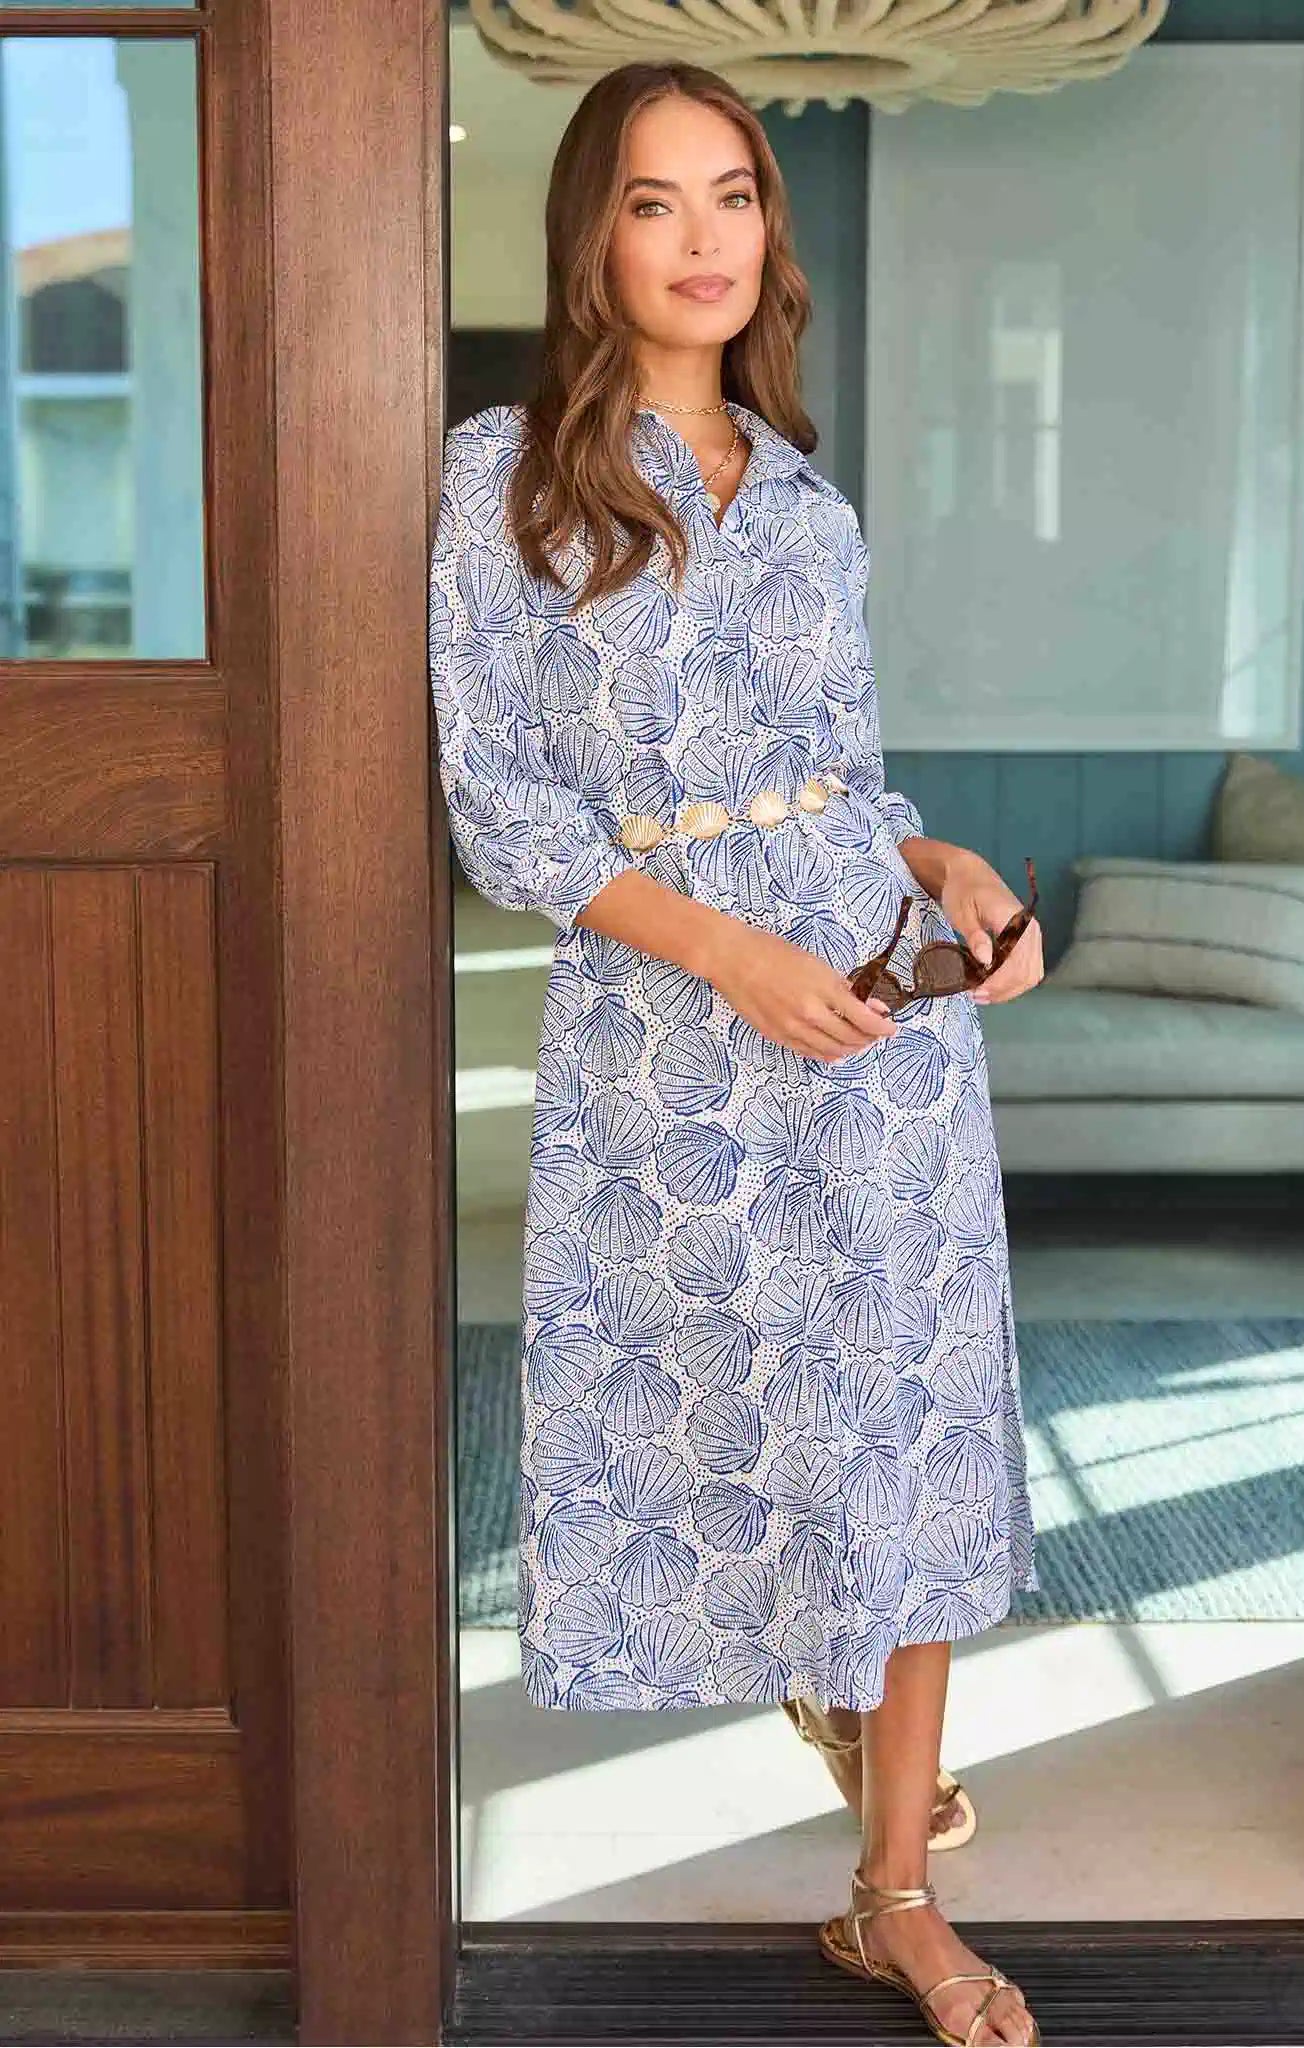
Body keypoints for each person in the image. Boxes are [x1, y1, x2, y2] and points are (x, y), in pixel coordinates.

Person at [428, 58, 1044, 2048]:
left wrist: (946, 866)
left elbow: (847, 783)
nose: (703, 240)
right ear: (589, 239)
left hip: (878, 1016)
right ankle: (822, 1675)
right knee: (736, 1402)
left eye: (731, 197)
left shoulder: (802, 488)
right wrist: (724, 955)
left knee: (917, 1411)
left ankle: (895, 1894)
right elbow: (503, 801)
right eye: (651, 201)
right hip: (673, 1024)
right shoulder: (502, 474)